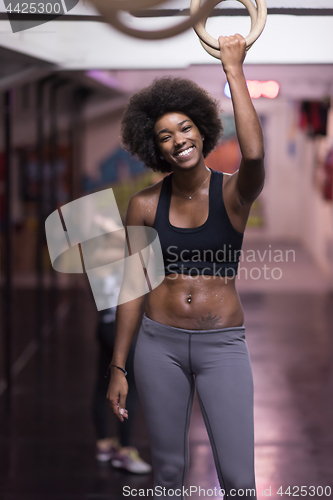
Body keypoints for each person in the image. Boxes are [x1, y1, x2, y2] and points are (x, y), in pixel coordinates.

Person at [107, 34, 265, 499]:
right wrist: (118, 366)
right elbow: (131, 289)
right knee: (167, 476)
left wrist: (234, 71)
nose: (178, 140)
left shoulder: (233, 195)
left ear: (202, 130)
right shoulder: (142, 205)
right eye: (165, 135)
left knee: (239, 481)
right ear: (155, 148)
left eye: (185, 128)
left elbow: (254, 155)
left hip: (223, 347)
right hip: (159, 347)